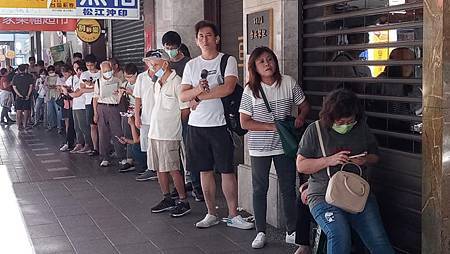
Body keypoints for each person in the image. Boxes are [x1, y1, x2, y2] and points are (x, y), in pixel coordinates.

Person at [296, 89, 395, 254]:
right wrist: (329, 160)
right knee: (339, 234)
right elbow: (301, 165)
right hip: (323, 195)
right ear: (330, 118)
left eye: (350, 122)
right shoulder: (315, 130)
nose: (345, 126)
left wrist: (365, 159)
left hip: (357, 194)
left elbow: (375, 156)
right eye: (340, 123)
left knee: (379, 241)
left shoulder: (361, 128)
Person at [180, 20, 253, 230]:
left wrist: (199, 97)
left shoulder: (227, 60)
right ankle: (211, 213)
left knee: (226, 171)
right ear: (196, 40)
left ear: (217, 38)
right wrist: (196, 91)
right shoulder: (191, 65)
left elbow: (228, 88)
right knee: (204, 171)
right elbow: (183, 94)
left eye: (209, 35)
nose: (205, 39)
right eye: (201, 36)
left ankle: (233, 215)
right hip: (196, 126)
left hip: (220, 125)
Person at [239, 46, 310, 248]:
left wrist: (301, 118)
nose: (267, 64)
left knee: (288, 188)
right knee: (259, 189)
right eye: (261, 61)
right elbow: (245, 122)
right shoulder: (250, 90)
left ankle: (292, 230)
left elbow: (304, 105)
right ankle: (260, 231)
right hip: (259, 148)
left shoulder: (288, 82)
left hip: (285, 146)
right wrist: (271, 127)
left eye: (270, 59)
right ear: (255, 67)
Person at [145, 49, 191, 217]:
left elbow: (185, 110)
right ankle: (167, 198)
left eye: (155, 64)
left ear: (165, 63)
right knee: (159, 168)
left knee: (173, 168)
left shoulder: (177, 82)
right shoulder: (158, 82)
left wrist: (174, 125)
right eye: (150, 64)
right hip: (155, 132)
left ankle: (183, 200)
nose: (152, 67)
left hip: (169, 134)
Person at [162, 30, 203, 202]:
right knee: (174, 154)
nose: (170, 50)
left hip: (187, 114)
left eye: (172, 47)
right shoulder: (164, 65)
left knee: (190, 151)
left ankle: (197, 186)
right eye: (167, 47)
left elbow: (195, 88)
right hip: (168, 116)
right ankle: (182, 185)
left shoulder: (190, 64)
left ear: (179, 47)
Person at [93, 61, 126, 167]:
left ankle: (121, 156)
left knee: (117, 132)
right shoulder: (98, 82)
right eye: (105, 71)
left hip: (114, 107)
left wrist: (120, 93)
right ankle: (105, 157)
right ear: (101, 71)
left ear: (112, 69)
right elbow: (95, 98)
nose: (107, 72)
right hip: (102, 107)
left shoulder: (117, 80)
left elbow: (121, 96)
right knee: (103, 133)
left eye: (109, 70)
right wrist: (95, 113)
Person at [133, 51, 158, 181]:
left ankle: (160, 170)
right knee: (147, 145)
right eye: (149, 61)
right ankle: (151, 169)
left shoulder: (162, 76)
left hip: (160, 118)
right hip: (146, 116)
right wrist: (137, 116)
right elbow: (138, 98)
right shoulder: (141, 77)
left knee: (159, 144)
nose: (152, 63)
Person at [65, 62, 92, 154]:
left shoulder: (86, 79)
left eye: (80, 70)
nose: (78, 72)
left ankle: (88, 144)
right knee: (77, 127)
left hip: (83, 105)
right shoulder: (74, 79)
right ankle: (79, 143)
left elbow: (78, 92)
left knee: (84, 126)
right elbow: (68, 88)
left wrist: (72, 93)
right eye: (77, 69)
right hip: (75, 105)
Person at [118, 63, 139, 173]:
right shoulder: (125, 84)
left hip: (139, 110)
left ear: (135, 74)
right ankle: (129, 159)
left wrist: (132, 93)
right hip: (127, 111)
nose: (128, 79)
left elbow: (144, 99)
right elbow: (119, 100)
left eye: (130, 76)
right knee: (127, 133)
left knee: (137, 135)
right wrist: (120, 94)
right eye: (126, 76)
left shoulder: (140, 83)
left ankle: (138, 159)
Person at [79, 54, 101, 156]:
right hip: (89, 102)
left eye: (91, 65)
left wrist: (92, 88)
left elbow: (103, 89)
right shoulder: (84, 74)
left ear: (95, 63)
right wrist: (95, 88)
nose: (89, 67)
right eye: (87, 65)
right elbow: (82, 89)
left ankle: (104, 147)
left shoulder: (101, 73)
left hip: (101, 101)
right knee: (92, 125)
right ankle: (95, 147)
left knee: (102, 125)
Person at [59, 65, 77, 152]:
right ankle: (69, 142)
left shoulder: (74, 78)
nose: (65, 76)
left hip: (74, 103)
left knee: (74, 124)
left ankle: (72, 142)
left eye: (66, 74)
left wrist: (66, 90)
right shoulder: (70, 79)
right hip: (69, 104)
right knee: (68, 123)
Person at [12, 64, 34, 131]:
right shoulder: (29, 76)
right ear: (25, 69)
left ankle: (18, 125)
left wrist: (19, 95)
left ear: (18, 69)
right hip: (27, 96)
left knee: (19, 111)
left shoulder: (15, 77)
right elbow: (31, 86)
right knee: (26, 110)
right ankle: (25, 125)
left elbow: (14, 87)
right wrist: (28, 95)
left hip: (18, 97)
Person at [46, 65, 63, 133]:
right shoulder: (47, 78)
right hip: (49, 96)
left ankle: (59, 127)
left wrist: (54, 86)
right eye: (50, 72)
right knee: (50, 112)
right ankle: (51, 125)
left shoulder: (58, 77)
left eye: (52, 71)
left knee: (58, 112)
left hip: (57, 96)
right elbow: (45, 86)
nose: (51, 73)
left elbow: (59, 86)